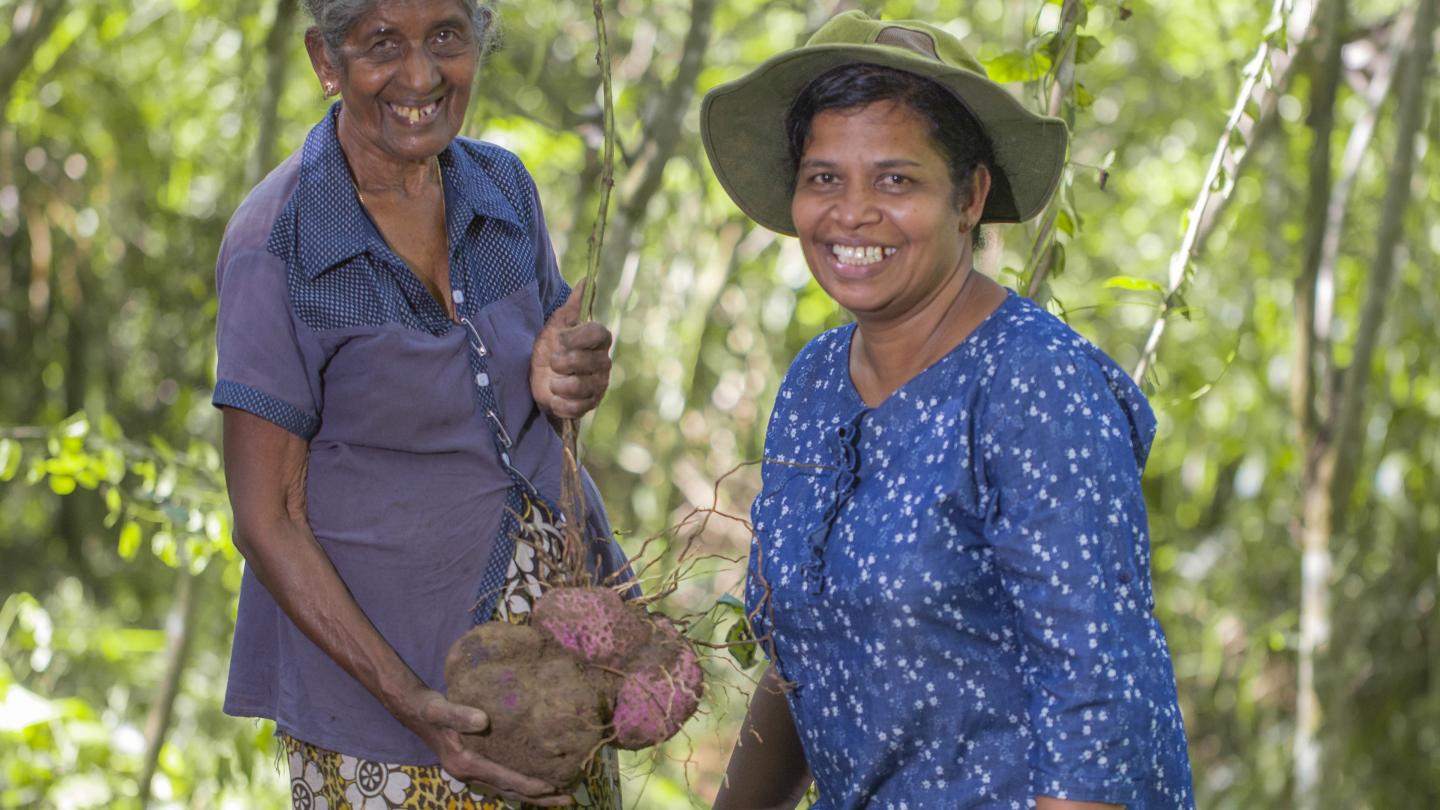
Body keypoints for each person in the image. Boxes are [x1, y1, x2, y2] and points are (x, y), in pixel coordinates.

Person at [701, 11, 1194, 810]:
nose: (852, 213)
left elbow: (1098, 712)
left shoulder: (1037, 386)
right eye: (825, 177)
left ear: (970, 196)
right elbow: (810, 657)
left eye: (896, 179)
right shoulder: (813, 382)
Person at [212, 1, 625, 807]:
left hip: (550, 679)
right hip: (387, 706)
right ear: (325, 62)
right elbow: (267, 520)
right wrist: (412, 705)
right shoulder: (278, 244)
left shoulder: (503, 186)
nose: (420, 75)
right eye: (381, 44)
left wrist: (565, 381)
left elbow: (538, 405)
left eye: (446, 36)